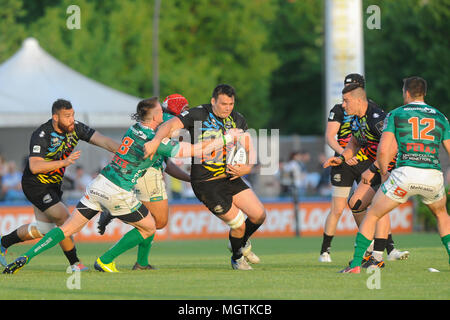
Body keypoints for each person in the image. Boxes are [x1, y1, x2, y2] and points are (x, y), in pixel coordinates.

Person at [3, 97, 239, 274]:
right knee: (150, 227)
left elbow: (120, 143)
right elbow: (196, 150)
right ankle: (106, 260)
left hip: (98, 184)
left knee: (65, 229)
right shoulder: (155, 141)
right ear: (155, 117)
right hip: (117, 191)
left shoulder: (135, 129)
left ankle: (24, 258)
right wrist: (227, 138)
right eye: (161, 112)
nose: (164, 116)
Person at [142, 84, 266, 270]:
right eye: (223, 103)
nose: (228, 107)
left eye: (231, 104)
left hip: (230, 176)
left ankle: (240, 241)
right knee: (238, 224)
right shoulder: (198, 114)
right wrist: (155, 142)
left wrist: (247, 168)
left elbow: (249, 146)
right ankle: (237, 256)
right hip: (207, 183)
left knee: (259, 215)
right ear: (213, 101)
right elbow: (169, 125)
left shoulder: (238, 119)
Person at [341, 76, 450, 273]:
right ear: (423, 93)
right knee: (442, 215)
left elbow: (384, 150)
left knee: (373, 213)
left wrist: (381, 172)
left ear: (406, 93)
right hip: (433, 175)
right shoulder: (440, 116)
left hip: (405, 173)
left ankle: (357, 264)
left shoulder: (396, 114)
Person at [0, 99, 120, 270]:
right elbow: (35, 166)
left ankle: (3, 242)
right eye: (67, 116)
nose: (71, 119)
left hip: (53, 185)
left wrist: (125, 151)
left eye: (72, 115)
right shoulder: (42, 134)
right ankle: (74, 263)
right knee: (64, 219)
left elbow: (104, 141)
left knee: (44, 229)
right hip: (35, 184)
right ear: (55, 117)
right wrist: (64, 163)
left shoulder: (76, 128)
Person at [97, 93, 191, 270]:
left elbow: (168, 166)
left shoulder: (156, 122)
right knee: (157, 223)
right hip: (149, 175)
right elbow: (176, 156)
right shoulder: (170, 120)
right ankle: (108, 257)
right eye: (185, 108)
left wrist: (189, 178)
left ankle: (141, 262)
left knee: (150, 222)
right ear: (179, 108)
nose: (187, 113)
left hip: (144, 173)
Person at [320, 74, 408, 263]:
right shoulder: (355, 119)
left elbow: (392, 147)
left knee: (378, 206)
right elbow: (354, 142)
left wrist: (374, 170)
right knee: (356, 205)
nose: (343, 105)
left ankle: (377, 256)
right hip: (377, 166)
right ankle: (370, 246)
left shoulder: (376, 117)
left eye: (346, 101)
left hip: (390, 167)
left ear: (359, 100)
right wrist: (341, 158)